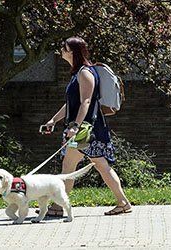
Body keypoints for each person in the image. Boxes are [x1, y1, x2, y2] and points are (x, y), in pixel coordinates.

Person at [39, 37, 132, 216]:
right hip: (86, 128)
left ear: (72, 51)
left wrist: (75, 126)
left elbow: (86, 101)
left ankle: (58, 207)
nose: (61, 50)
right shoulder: (77, 73)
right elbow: (71, 104)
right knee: (98, 166)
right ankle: (123, 202)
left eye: (64, 47)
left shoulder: (85, 73)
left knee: (70, 167)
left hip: (87, 130)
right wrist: (53, 120)